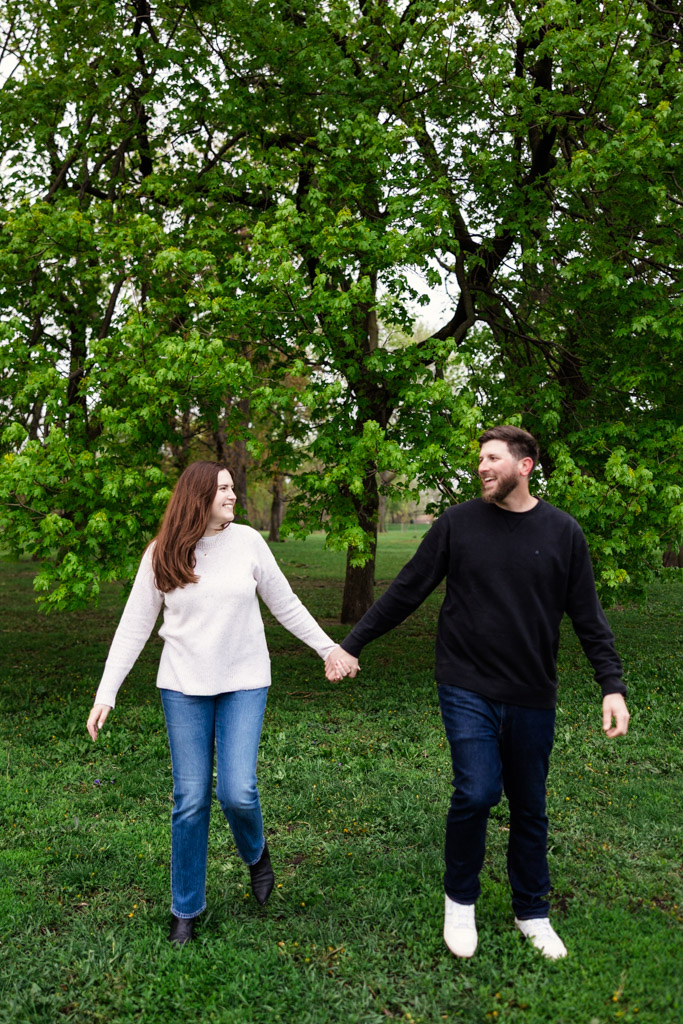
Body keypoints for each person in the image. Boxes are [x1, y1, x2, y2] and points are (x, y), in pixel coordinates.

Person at [325, 425, 629, 960]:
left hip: (533, 691)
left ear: (525, 464)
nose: (482, 466)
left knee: (530, 805)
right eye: (480, 459)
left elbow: (588, 616)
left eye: (492, 458)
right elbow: (407, 589)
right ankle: (459, 903)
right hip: (466, 683)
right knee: (478, 790)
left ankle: (532, 911)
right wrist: (352, 645)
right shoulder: (458, 524)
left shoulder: (564, 533)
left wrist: (612, 685)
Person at [87, 461, 337, 945]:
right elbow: (134, 626)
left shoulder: (248, 543)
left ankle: (256, 853)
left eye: (231, 487)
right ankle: (186, 908)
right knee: (191, 799)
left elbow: (285, 603)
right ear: (198, 496)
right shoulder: (162, 553)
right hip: (183, 686)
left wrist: (328, 648)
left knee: (237, 791)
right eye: (222, 488)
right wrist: (106, 692)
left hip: (244, 680)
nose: (233, 494)